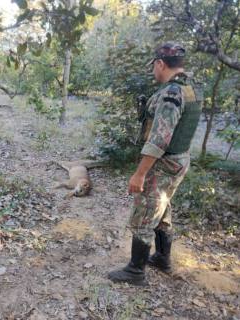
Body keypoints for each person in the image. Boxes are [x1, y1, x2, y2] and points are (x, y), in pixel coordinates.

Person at [108, 42, 203, 286]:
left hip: (164, 162)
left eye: (154, 66)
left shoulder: (171, 94)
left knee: (145, 212)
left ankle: (135, 271)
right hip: (179, 160)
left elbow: (160, 138)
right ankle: (162, 257)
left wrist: (139, 174)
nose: (153, 71)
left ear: (161, 64)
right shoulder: (190, 88)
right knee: (162, 208)